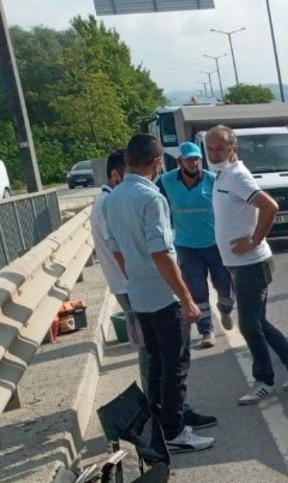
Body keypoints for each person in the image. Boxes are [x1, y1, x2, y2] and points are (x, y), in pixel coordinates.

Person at [103, 134, 214, 453]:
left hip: (139, 291)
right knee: (176, 363)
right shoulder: (152, 199)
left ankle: (158, 422)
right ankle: (175, 430)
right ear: (157, 163)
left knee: (155, 363)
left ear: (126, 162)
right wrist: (187, 299)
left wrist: (135, 277)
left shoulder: (113, 198)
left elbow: (116, 250)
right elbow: (162, 253)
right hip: (163, 296)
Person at [204, 125, 288, 405]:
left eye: (220, 148)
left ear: (233, 149)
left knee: (249, 325)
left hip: (252, 263)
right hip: (241, 264)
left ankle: (264, 381)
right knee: (258, 322)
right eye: (210, 148)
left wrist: (253, 240)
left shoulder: (237, 175)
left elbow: (270, 206)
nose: (214, 153)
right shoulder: (222, 175)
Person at [158, 141, 234, 350]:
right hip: (186, 246)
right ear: (179, 160)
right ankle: (206, 331)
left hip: (214, 243)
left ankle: (226, 307)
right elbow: (156, 207)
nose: (194, 163)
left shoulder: (213, 180)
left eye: (197, 158)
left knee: (224, 285)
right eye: (189, 159)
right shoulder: (165, 182)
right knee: (197, 291)